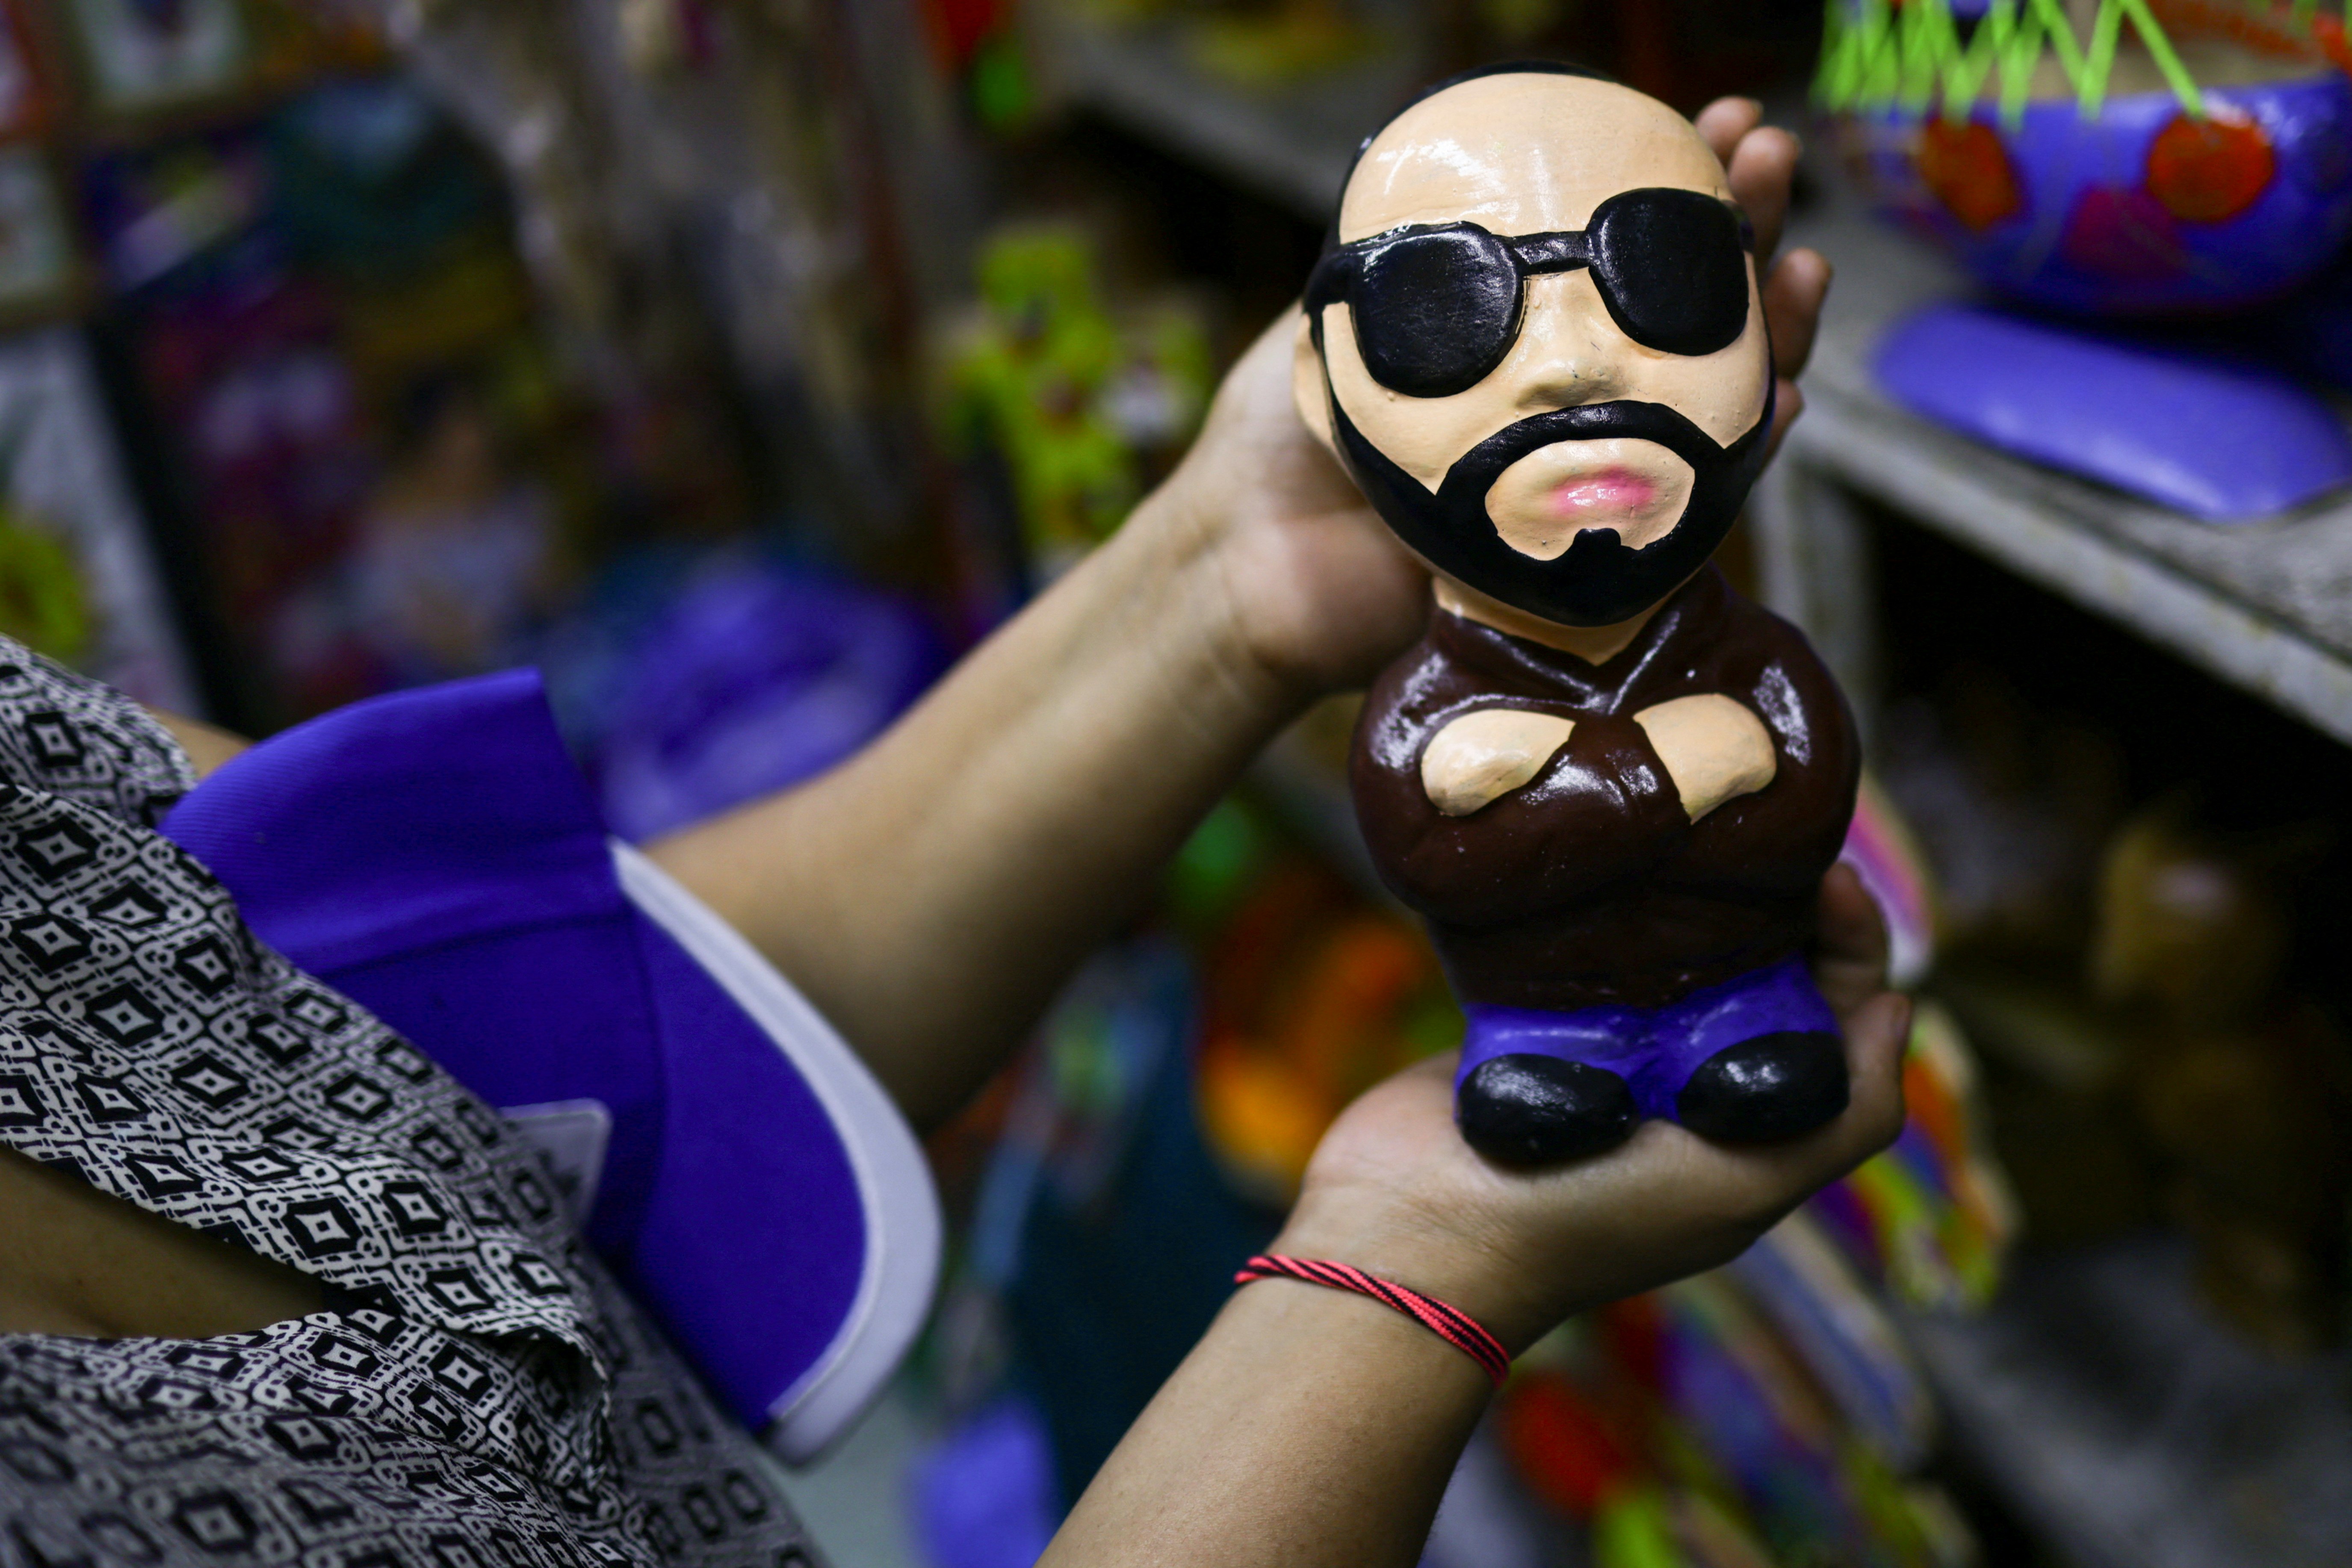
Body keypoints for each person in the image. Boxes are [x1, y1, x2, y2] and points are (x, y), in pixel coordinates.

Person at [0, 94, 1895, 1568]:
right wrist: (1415, 1265)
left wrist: (1229, 577)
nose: (1571, 365)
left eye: (1648, 276)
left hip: (1700, 954)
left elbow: (544, 1059)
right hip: (1543, 1016)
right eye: (1458, 305)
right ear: (1350, 363)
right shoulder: (1446, 698)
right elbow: (1454, 816)